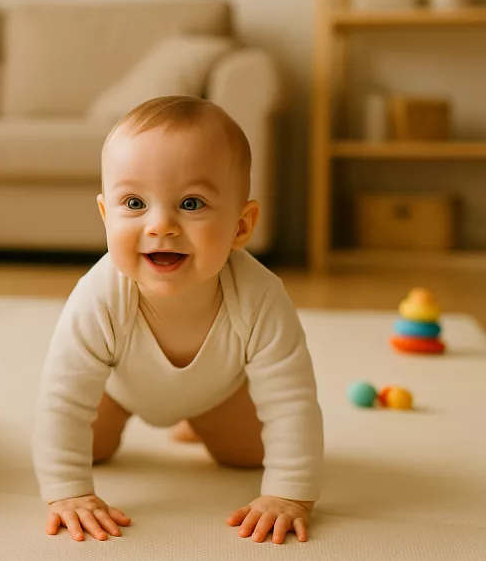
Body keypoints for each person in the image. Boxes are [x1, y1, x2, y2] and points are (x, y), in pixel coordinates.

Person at [32, 95, 323, 545]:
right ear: (106, 216)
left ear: (241, 227)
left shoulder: (261, 297)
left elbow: (291, 401)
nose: (160, 225)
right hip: (113, 389)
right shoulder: (99, 297)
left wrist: (289, 495)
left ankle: (196, 418)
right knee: (89, 450)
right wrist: (68, 494)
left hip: (216, 393)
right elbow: (62, 399)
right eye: (134, 202)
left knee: (248, 456)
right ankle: (154, 420)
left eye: (191, 203)